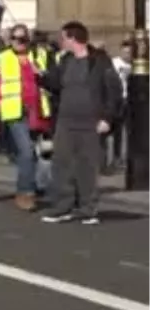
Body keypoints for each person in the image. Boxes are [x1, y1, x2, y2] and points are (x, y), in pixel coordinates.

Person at [38, 21, 123, 225]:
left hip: (91, 122)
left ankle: (88, 209)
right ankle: (63, 207)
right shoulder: (65, 60)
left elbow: (114, 91)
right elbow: (56, 84)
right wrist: (41, 77)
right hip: (66, 122)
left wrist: (107, 118)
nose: (61, 42)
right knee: (62, 165)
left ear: (73, 38)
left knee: (87, 167)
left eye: (64, 38)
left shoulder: (100, 61)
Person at [0, 24, 53, 211]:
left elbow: (53, 81)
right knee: (27, 152)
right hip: (14, 112)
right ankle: (25, 192)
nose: (19, 43)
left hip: (38, 112)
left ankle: (36, 185)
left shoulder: (39, 56)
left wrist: (42, 73)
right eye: (15, 38)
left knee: (38, 154)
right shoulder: (1, 59)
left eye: (23, 39)